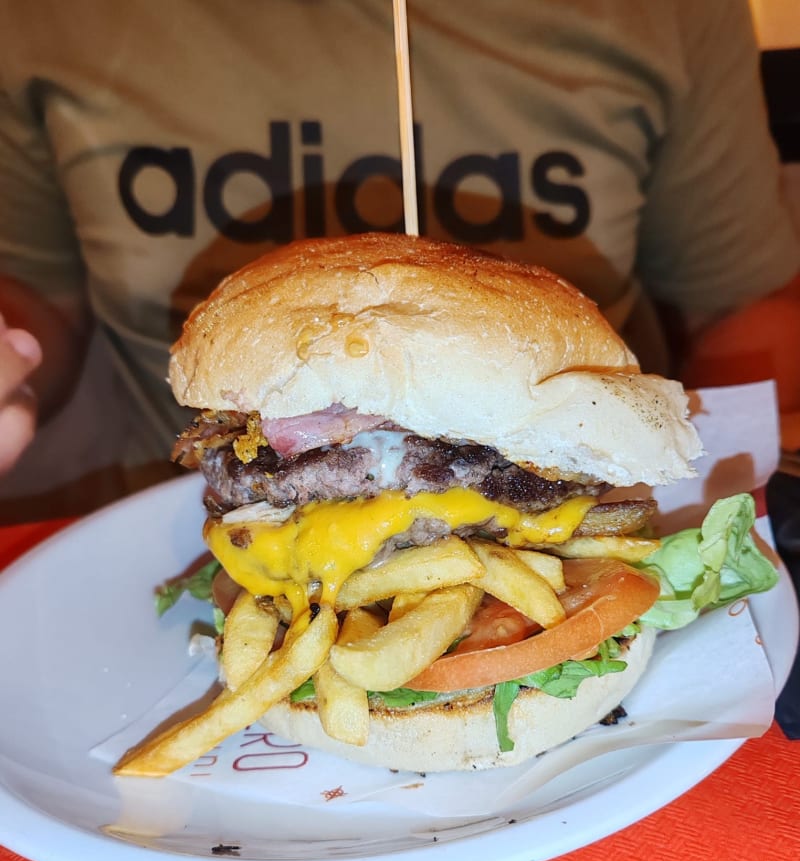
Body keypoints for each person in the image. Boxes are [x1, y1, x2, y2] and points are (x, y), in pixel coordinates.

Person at [0, 0, 798, 518]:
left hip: (570, 461)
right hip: (167, 521)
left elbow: (741, 304)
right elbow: (37, 300)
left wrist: (731, 485)